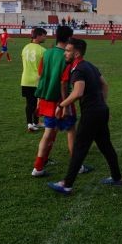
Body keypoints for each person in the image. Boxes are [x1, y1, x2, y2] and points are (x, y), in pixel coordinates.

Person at [48, 38, 122, 194]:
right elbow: (104, 84)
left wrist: (61, 105)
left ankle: (67, 184)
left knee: (79, 148)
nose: (65, 54)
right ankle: (117, 178)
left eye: (67, 51)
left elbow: (78, 92)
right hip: (101, 111)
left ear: (76, 53)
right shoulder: (89, 65)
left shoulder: (78, 69)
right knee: (105, 145)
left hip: (92, 114)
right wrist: (102, 103)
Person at [31, 26, 91, 177]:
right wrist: (65, 104)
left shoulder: (46, 53)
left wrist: (39, 100)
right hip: (60, 100)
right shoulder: (67, 57)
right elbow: (64, 82)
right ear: (69, 38)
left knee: (48, 132)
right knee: (71, 131)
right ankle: (77, 165)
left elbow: (40, 76)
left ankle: (38, 167)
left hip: (46, 99)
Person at [21, 27, 47, 132]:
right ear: (39, 35)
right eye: (44, 35)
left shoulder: (25, 47)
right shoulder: (43, 50)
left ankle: (33, 123)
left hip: (25, 79)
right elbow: (45, 67)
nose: (45, 37)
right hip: (37, 80)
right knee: (37, 103)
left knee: (29, 102)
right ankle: (32, 124)